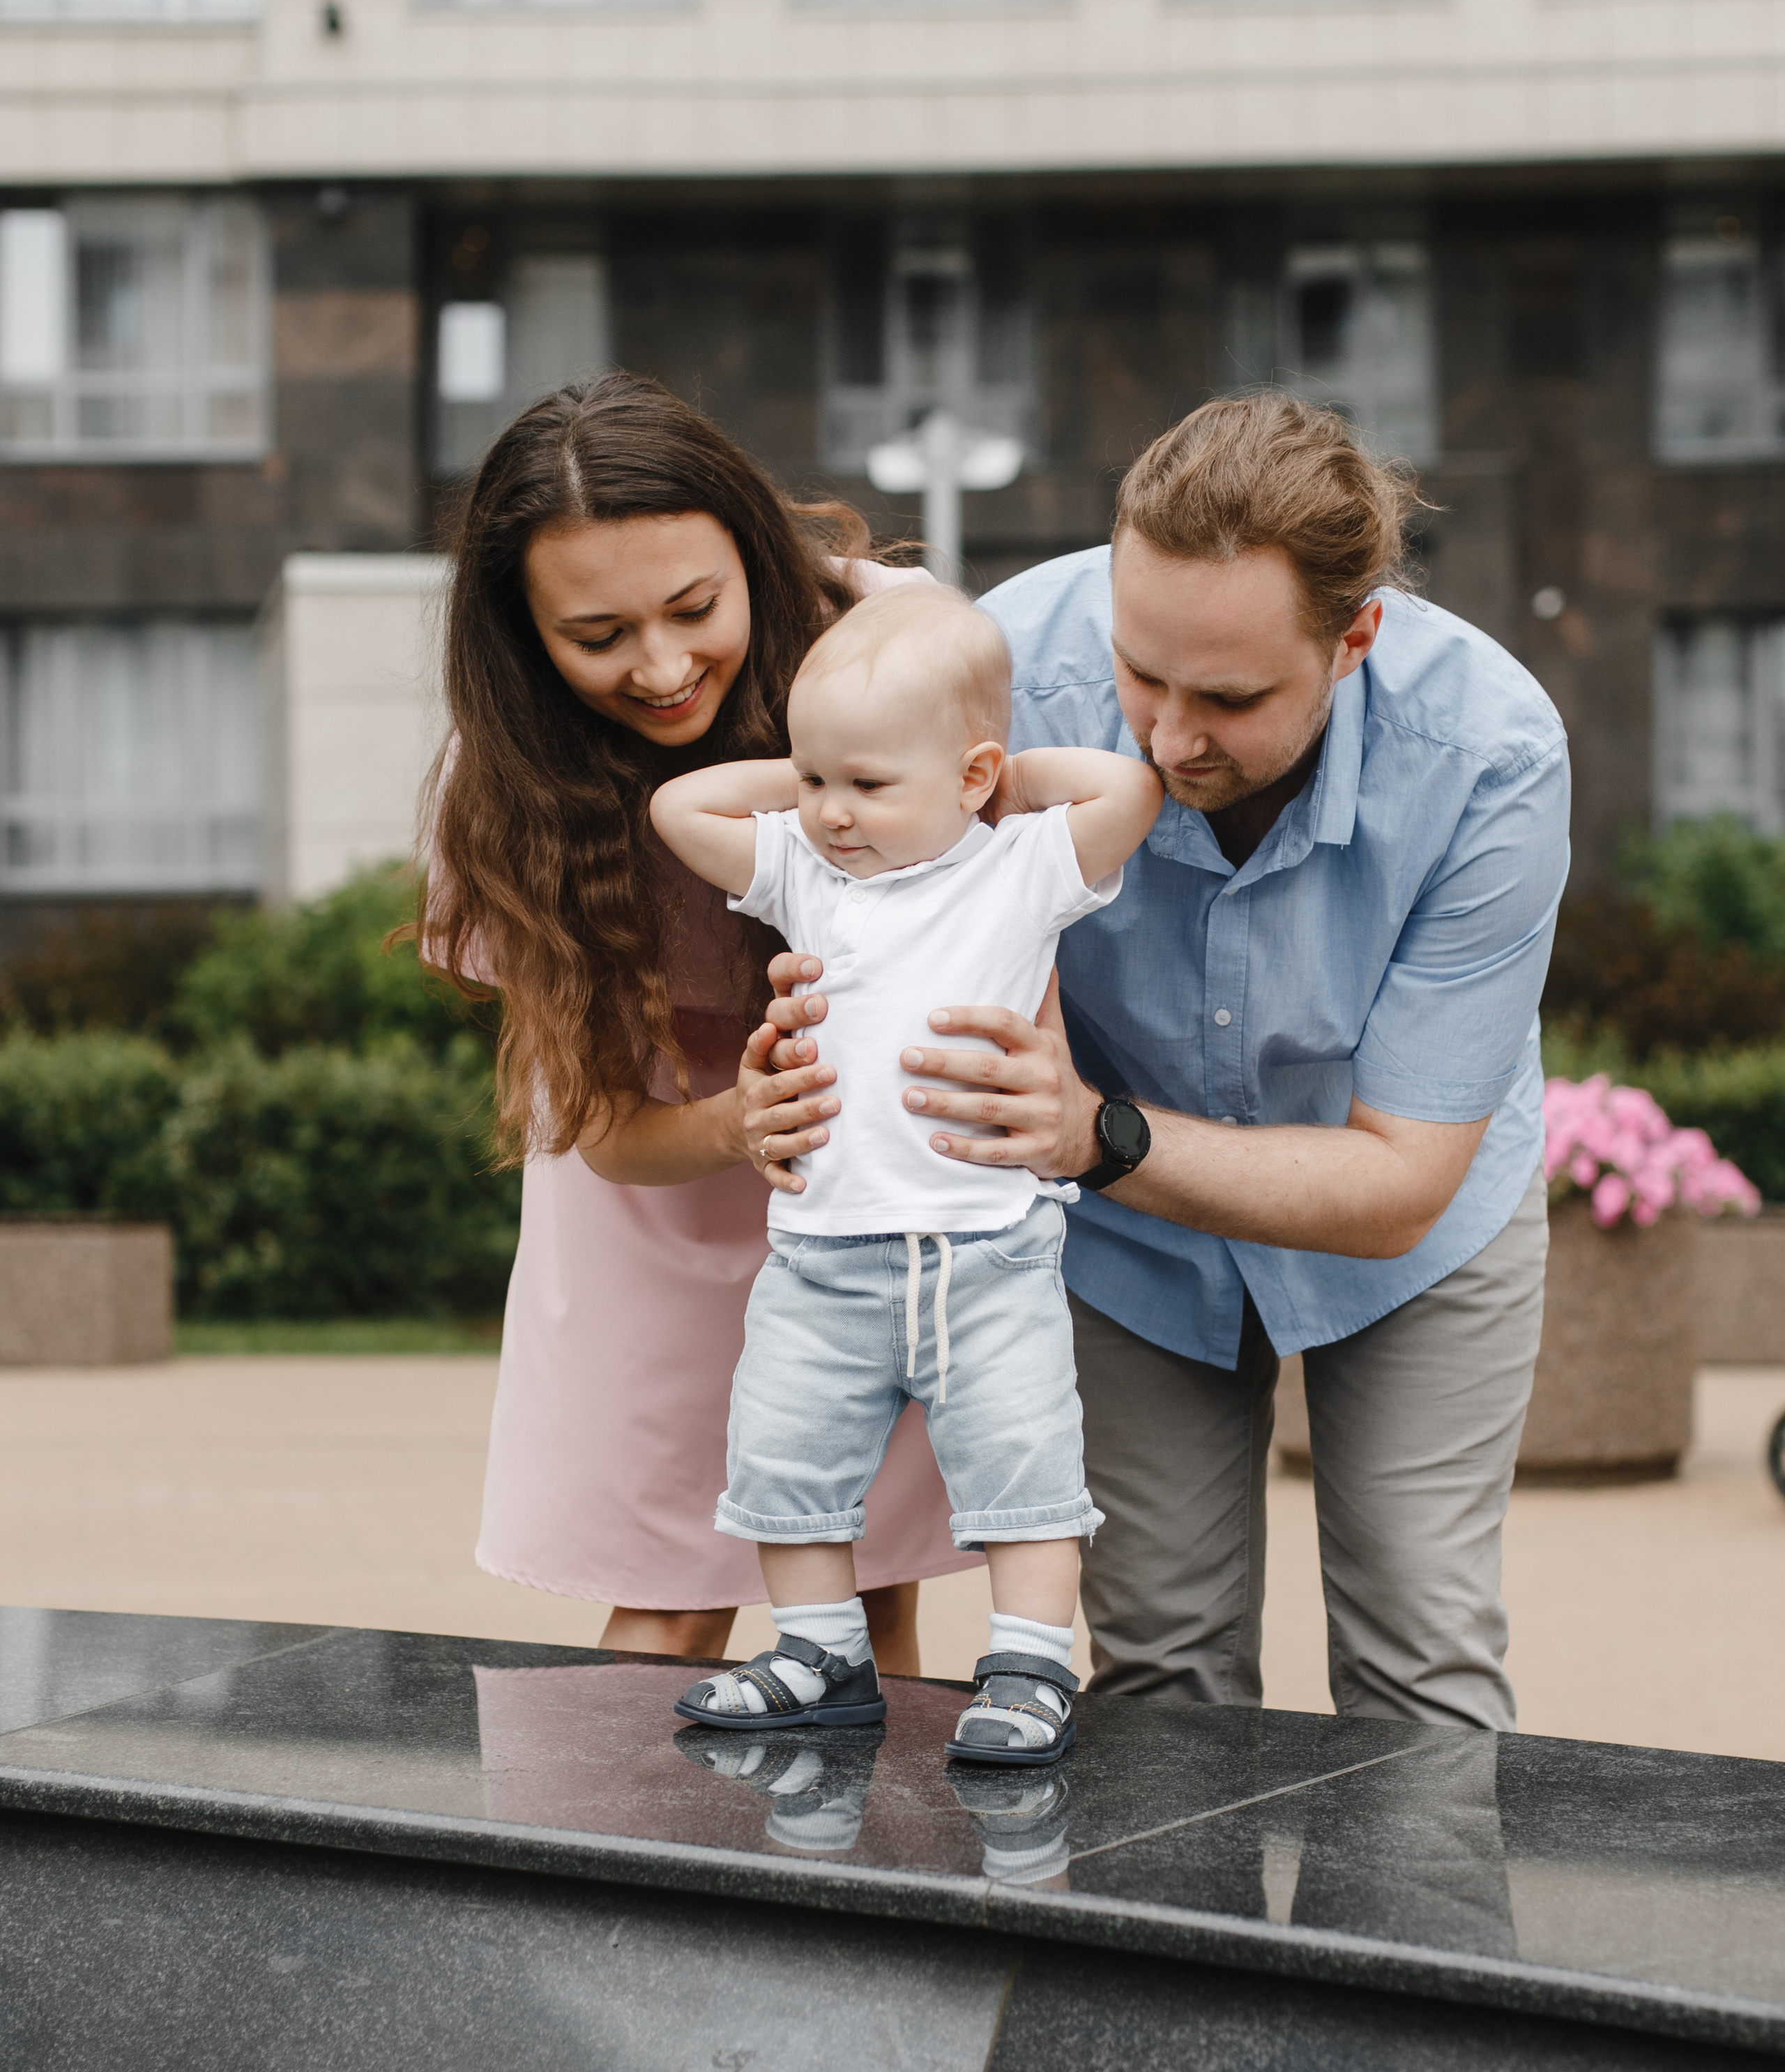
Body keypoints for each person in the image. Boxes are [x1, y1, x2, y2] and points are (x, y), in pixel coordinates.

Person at [750, 394, 1571, 1734]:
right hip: (1121, 1243)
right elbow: (873, 882)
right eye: (1142, 672)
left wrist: (1094, 1137)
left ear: (1353, 637)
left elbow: (1401, 1183)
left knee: (1420, 1660)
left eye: (1231, 697)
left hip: (1404, 1234)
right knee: (1164, 1671)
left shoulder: (1496, 752)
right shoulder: (1007, 665)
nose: (1169, 737)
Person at [423, 372, 959, 1670]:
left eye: (694, 609)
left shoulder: (899, 645)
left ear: (756, 559)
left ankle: (865, 1869)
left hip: (868, 1174)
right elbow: (607, 1126)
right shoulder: (504, 787)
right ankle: (607, 1875)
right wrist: (734, 1118)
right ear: (524, 640)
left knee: (868, 1573)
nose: (661, 669)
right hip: (661, 1180)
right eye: (598, 636)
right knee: (673, 1586)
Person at [647, 585, 1161, 1758]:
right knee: (783, 1458)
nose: (831, 811)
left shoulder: (1021, 865)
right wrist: (834, 771)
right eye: (816, 779)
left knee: (1025, 1467)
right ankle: (821, 1650)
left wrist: (991, 787)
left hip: (987, 1253)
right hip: (825, 1257)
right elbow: (680, 806)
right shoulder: (810, 874)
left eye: (868, 787)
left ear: (976, 776)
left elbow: (1130, 788)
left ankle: (1032, 1666)